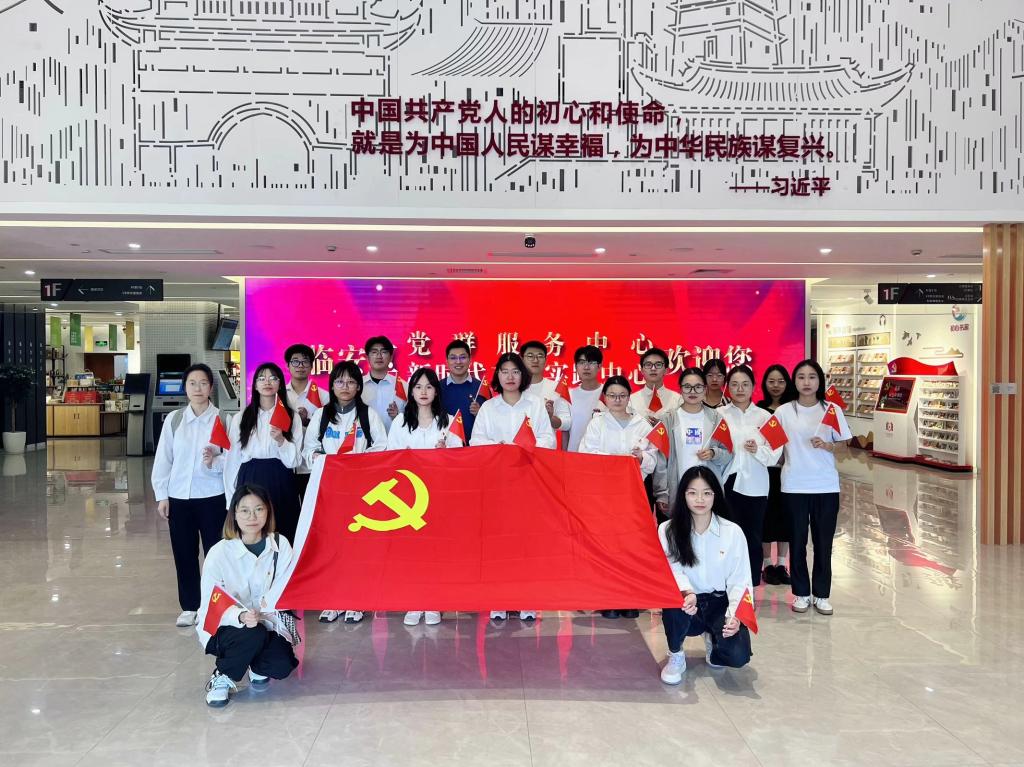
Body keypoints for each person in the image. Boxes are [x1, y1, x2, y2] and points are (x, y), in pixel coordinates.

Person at [470, 352, 556, 622]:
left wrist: (525, 448)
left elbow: (548, 439)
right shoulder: (488, 407)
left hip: (528, 480)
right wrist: (500, 449)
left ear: (523, 375)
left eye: (515, 371)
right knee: (498, 543)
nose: (510, 376)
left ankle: (526, 599)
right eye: (504, 371)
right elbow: (476, 441)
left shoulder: (535, 405)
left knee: (527, 542)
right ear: (497, 376)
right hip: (496, 483)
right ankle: (499, 600)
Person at [196, 484, 299, 707]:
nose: (252, 517)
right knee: (252, 634)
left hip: (267, 622)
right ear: (234, 514)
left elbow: (285, 588)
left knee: (281, 666)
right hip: (225, 626)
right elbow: (211, 601)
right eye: (245, 510)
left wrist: (265, 609)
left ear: (268, 511)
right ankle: (223, 675)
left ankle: (254, 663)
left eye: (259, 509)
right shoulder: (219, 552)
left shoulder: (280, 545)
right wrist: (241, 616)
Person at [303, 360, 388, 624]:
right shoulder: (321, 415)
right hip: (329, 490)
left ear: (359, 386)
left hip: (360, 490)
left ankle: (356, 600)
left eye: (351, 382)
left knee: (357, 545)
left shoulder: (368, 415)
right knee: (330, 546)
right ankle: (334, 599)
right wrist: (322, 459)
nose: (345, 386)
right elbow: (308, 449)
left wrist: (357, 462)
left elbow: (382, 447)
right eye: (340, 381)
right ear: (332, 385)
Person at [658, 466, 753, 684]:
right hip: (687, 602)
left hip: (719, 601)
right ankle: (676, 654)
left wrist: (735, 615)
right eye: (692, 493)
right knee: (673, 601)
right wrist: (687, 592)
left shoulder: (732, 532)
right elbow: (672, 569)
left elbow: (741, 579)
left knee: (737, 656)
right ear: (683, 495)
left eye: (707, 493)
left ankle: (713, 639)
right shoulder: (668, 530)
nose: (700, 499)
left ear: (715, 495)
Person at [773, 359, 852, 616]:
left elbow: (845, 446)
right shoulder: (784, 412)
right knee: (797, 542)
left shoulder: (832, 410)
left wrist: (828, 446)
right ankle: (801, 593)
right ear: (794, 381)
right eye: (801, 377)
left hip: (825, 486)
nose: (806, 382)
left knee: (823, 543)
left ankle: (821, 594)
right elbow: (772, 447)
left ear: (820, 380)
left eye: (812, 377)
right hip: (794, 486)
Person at [151, 363, 227, 628]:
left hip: (214, 496)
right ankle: (190, 606)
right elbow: (164, 459)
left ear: (211, 387)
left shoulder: (223, 419)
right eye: (192, 383)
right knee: (184, 553)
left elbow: (233, 458)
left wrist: (216, 460)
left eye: (203, 383)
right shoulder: (174, 420)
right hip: (179, 497)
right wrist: (162, 495)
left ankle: (217, 605)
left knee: (216, 553)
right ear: (185, 388)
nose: (198, 388)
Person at [387, 367, 463, 626]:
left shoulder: (449, 421)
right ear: (411, 391)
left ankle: (433, 602)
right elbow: (390, 457)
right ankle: (413, 600)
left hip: (439, 494)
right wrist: (403, 457)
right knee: (411, 550)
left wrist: (447, 453)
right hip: (408, 497)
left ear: (436, 392)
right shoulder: (400, 422)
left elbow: (461, 459)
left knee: (436, 550)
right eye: (418, 386)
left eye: (429, 386)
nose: (423, 391)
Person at [579, 376, 659, 619]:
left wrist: (641, 458)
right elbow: (587, 455)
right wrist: (618, 460)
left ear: (628, 397)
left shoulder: (641, 424)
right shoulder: (597, 424)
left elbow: (653, 460)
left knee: (631, 545)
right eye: (612, 395)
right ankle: (610, 598)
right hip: (604, 493)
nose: (617, 400)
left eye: (622, 395)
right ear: (604, 397)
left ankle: (630, 597)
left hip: (633, 492)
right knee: (608, 545)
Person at [223, 363, 303, 547]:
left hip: (281, 478)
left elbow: (294, 461)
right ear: (255, 385)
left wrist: (282, 441)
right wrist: (231, 499)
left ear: (280, 384)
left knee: (284, 531)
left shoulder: (292, 416)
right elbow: (232, 459)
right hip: (250, 476)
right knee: (252, 531)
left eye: (273, 378)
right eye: (261, 378)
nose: (267, 382)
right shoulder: (242, 417)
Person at [719, 365, 783, 588]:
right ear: (727, 387)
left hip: (756, 484)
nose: (740, 389)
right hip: (727, 482)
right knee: (726, 536)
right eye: (735, 384)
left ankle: (751, 584)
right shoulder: (719, 415)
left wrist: (758, 450)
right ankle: (726, 584)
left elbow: (776, 452)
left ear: (753, 387)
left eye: (745, 384)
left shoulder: (765, 417)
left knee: (753, 536)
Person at [653, 367, 732, 519]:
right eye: (687, 387)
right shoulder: (668, 419)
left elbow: (728, 453)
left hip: (707, 490)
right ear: (680, 389)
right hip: (677, 488)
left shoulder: (716, 418)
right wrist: (662, 492)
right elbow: (661, 459)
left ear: (705, 389)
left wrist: (714, 453)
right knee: (678, 531)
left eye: (698, 387)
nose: (692, 391)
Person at [756, 364, 797, 585]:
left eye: (780, 381)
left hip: (788, 472)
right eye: (771, 381)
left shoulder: (792, 409)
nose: (776, 385)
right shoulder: (760, 410)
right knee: (766, 518)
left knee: (785, 518)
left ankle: (782, 564)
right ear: (764, 384)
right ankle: (767, 565)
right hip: (765, 472)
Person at [521, 339, 572, 445]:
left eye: (540, 356)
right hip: (518, 447)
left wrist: (550, 418)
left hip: (546, 448)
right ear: (522, 359)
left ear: (545, 360)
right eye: (530, 356)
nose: (535, 360)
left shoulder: (555, 387)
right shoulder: (514, 388)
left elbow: (567, 423)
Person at [283, 343, 317, 500]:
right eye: (295, 361)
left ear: (311, 366)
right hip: (285, 464)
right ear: (288, 365)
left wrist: (308, 423)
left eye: (305, 361)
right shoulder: (279, 396)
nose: (300, 366)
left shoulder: (323, 396)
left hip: (311, 467)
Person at [439, 339, 486, 442]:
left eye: (463, 357)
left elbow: (491, 422)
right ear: (446, 361)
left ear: (470, 360)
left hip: (475, 447)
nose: (458, 362)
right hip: (445, 447)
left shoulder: (481, 387)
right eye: (453, 358)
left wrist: (481, 413)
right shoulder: (437, 388)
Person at [362, 335, 407, 432]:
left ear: (391, 357)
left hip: (394, 440)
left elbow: (412, 418)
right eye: (374, 352)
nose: (379, 356)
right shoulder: (358, 386)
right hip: (363, 440)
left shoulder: (403, 386)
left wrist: (398, 417)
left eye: (384, 352)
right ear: (367, 357)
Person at [566, 345, 605, 452]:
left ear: (600, 366)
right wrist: (564, 456)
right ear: (576, 366)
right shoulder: (569, 394)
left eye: (591, 362)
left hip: (599, 455)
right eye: (582, 362)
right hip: (573, 454)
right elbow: (566, 430)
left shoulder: (608, 394)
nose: (586, 367)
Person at [629, 347, 682, 421]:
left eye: (658, 364)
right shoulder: (631, 401)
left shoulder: (678, 400)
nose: (653, 368)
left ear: (666, 370)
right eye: (648, 364)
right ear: (642, 370)